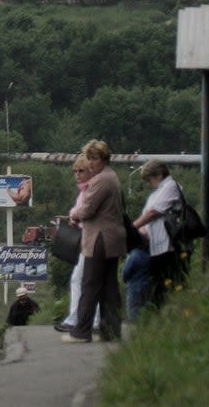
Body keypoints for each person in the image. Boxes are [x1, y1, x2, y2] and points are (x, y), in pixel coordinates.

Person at [65, 139, 126, 344]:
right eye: (89, 158)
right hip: (112, 237)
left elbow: (88, 208)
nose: (91, 162)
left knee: (90, 284)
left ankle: (82, 331)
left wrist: (75, 214)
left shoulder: (101, 180)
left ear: (104, 158)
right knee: (108, 285)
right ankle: (110, 330)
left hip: (99, 237)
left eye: (95, 158)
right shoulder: (112, 177)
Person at [130, 159, 185, 308]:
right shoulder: (156, 193)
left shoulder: (170, 186)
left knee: (167, 285)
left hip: (168, 245)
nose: (148, 184)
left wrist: (133, 226)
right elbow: (147, 215)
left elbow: (154, 212)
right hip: (155, 246)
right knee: (158, 285)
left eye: (149, 180)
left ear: (159, 175)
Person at [55, 157, 99, 334]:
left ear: (90, 172)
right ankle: (87, 319)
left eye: (81, 171)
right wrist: (74, 217)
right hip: (87, 238)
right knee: (86, 280)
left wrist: (75, 216)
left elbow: (86, 211)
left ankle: (77, 319)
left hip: (93, 239)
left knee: (82, 279)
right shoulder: (84, 191)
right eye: (75, 171)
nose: (77, 175)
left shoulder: (91, 190)